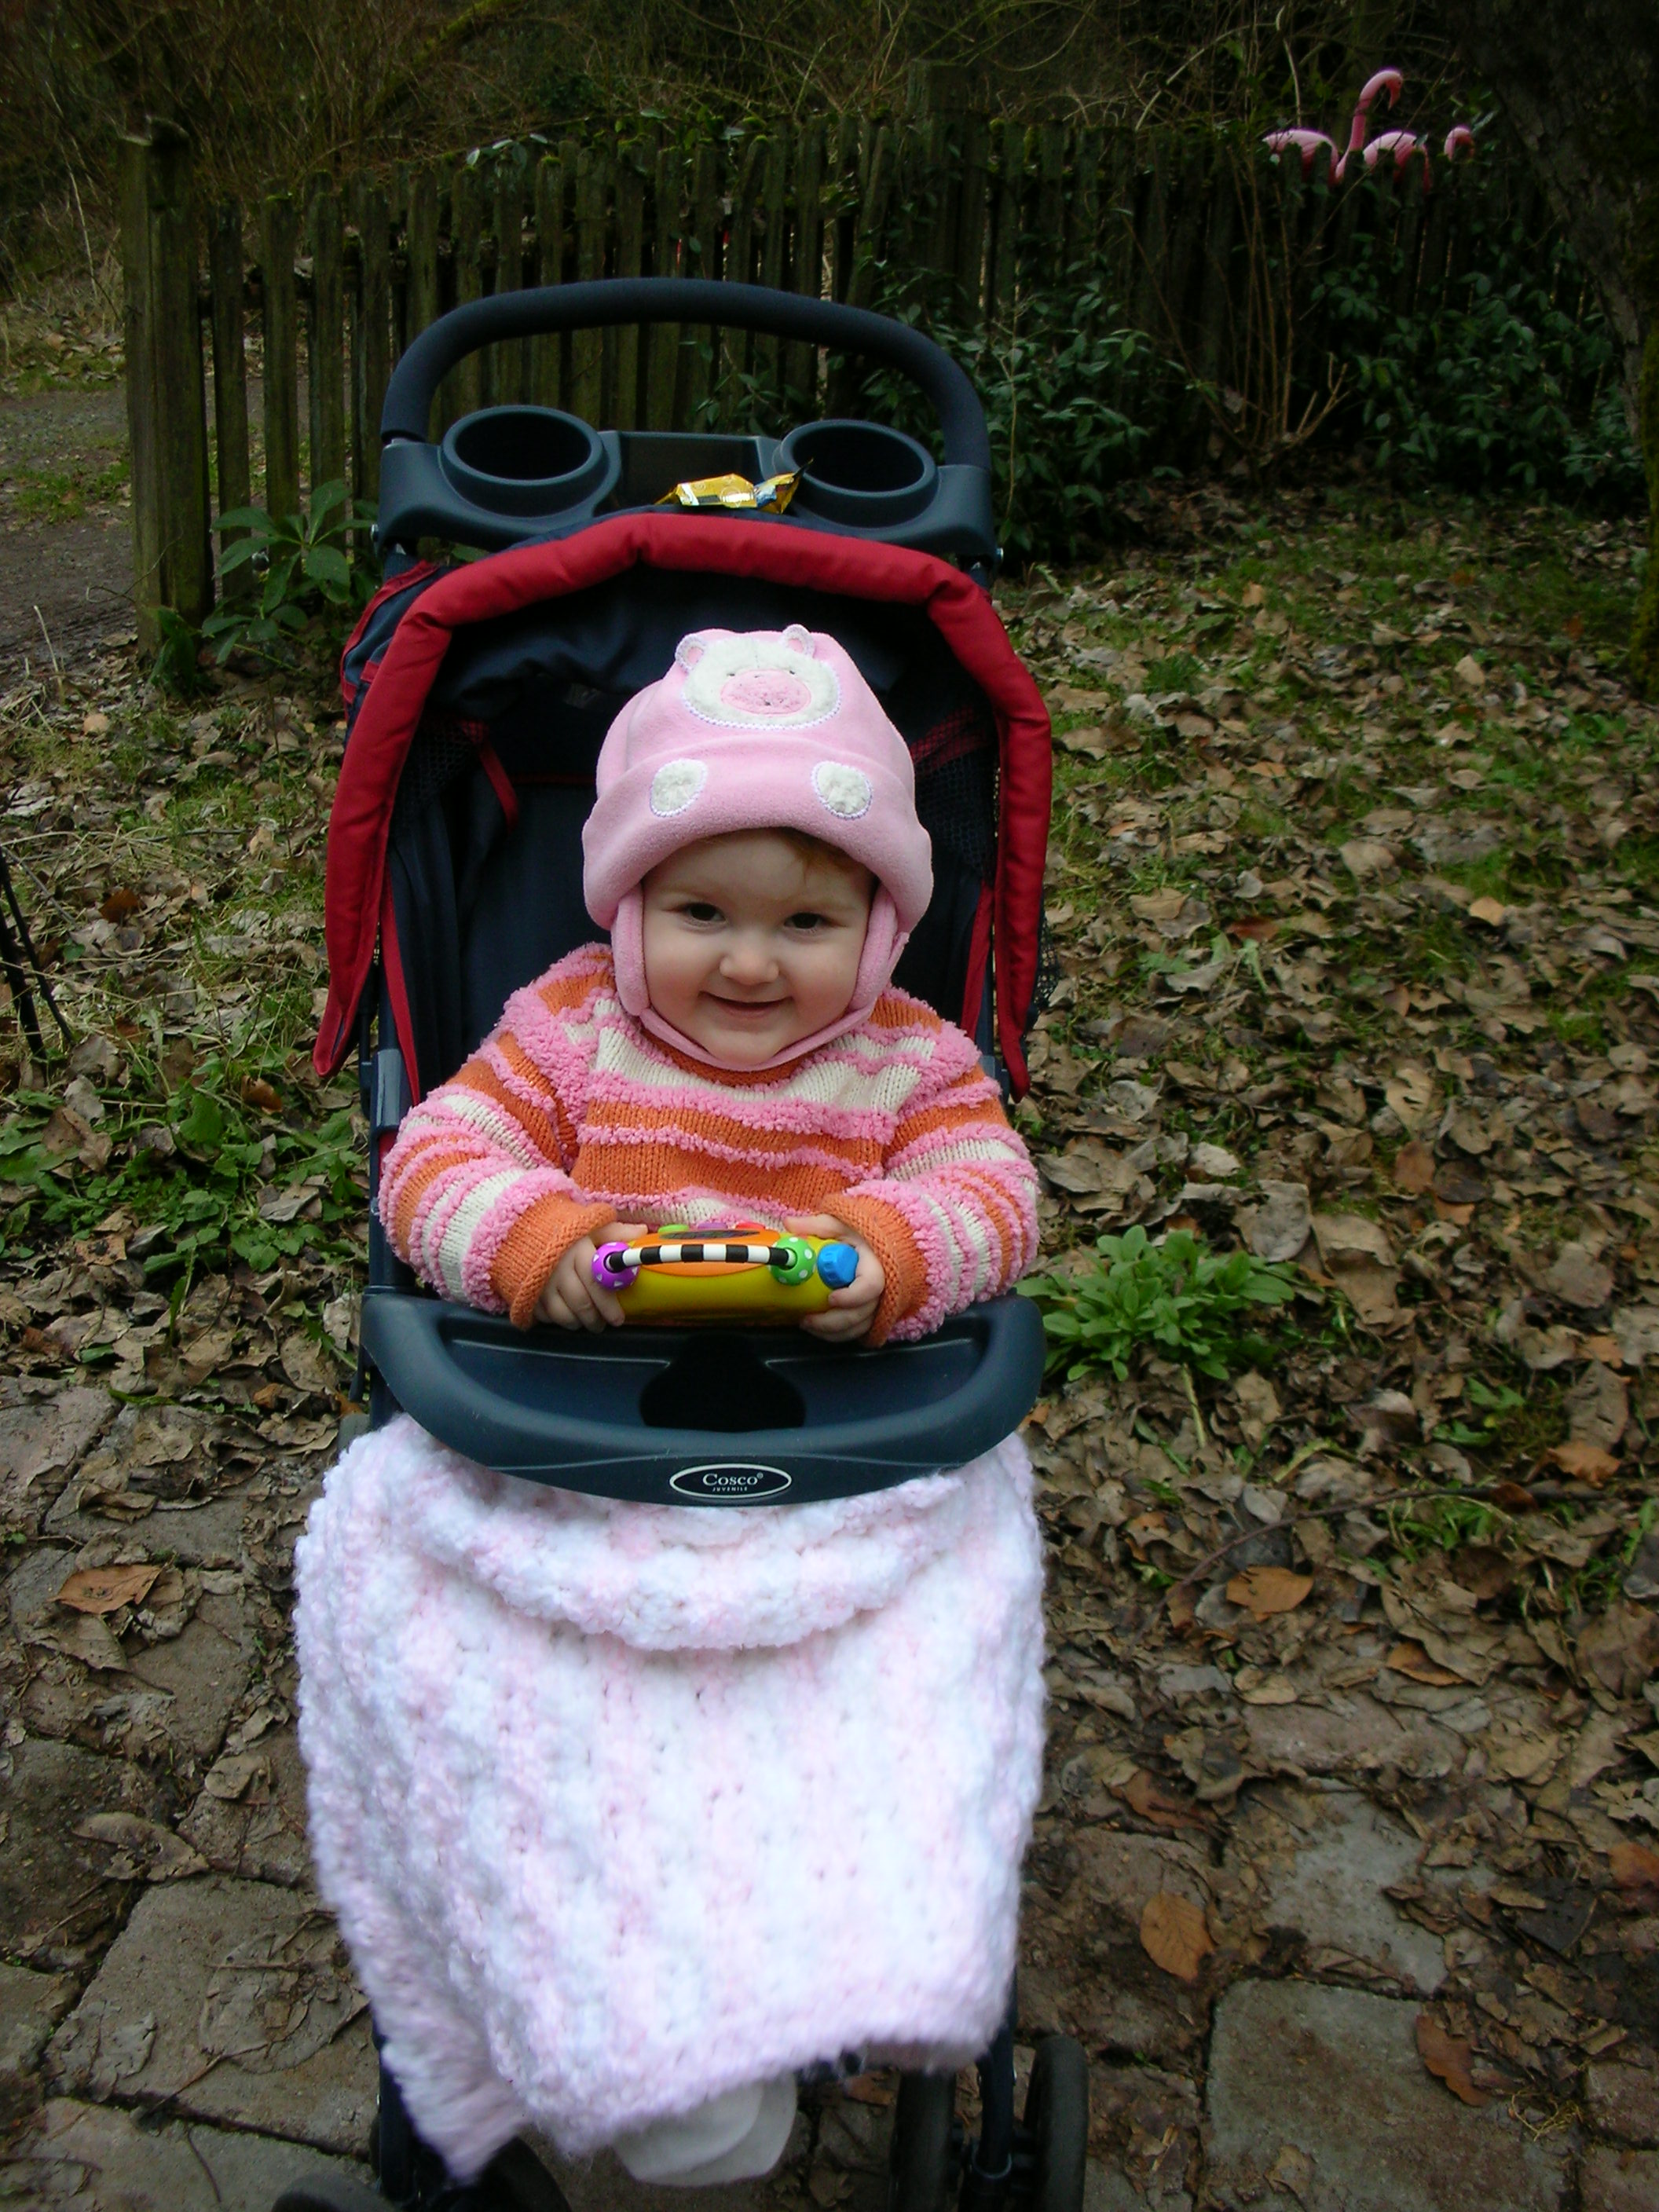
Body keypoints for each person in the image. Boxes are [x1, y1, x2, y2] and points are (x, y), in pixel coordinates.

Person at [295, 625, 1046, 2190]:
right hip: (581, 1443)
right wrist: (539, 1239)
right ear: (629, 905)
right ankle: (604, 1948)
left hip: (838, 1449)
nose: (753, 964)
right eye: (703, 913)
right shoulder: (569, 1030)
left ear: (881, 923)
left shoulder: (911, 1064)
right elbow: (435, 1161)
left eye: (807, 921)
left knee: (896, 1659)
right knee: (453, 1614)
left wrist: (895, 1254)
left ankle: (812, 1939)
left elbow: (994, 1193)